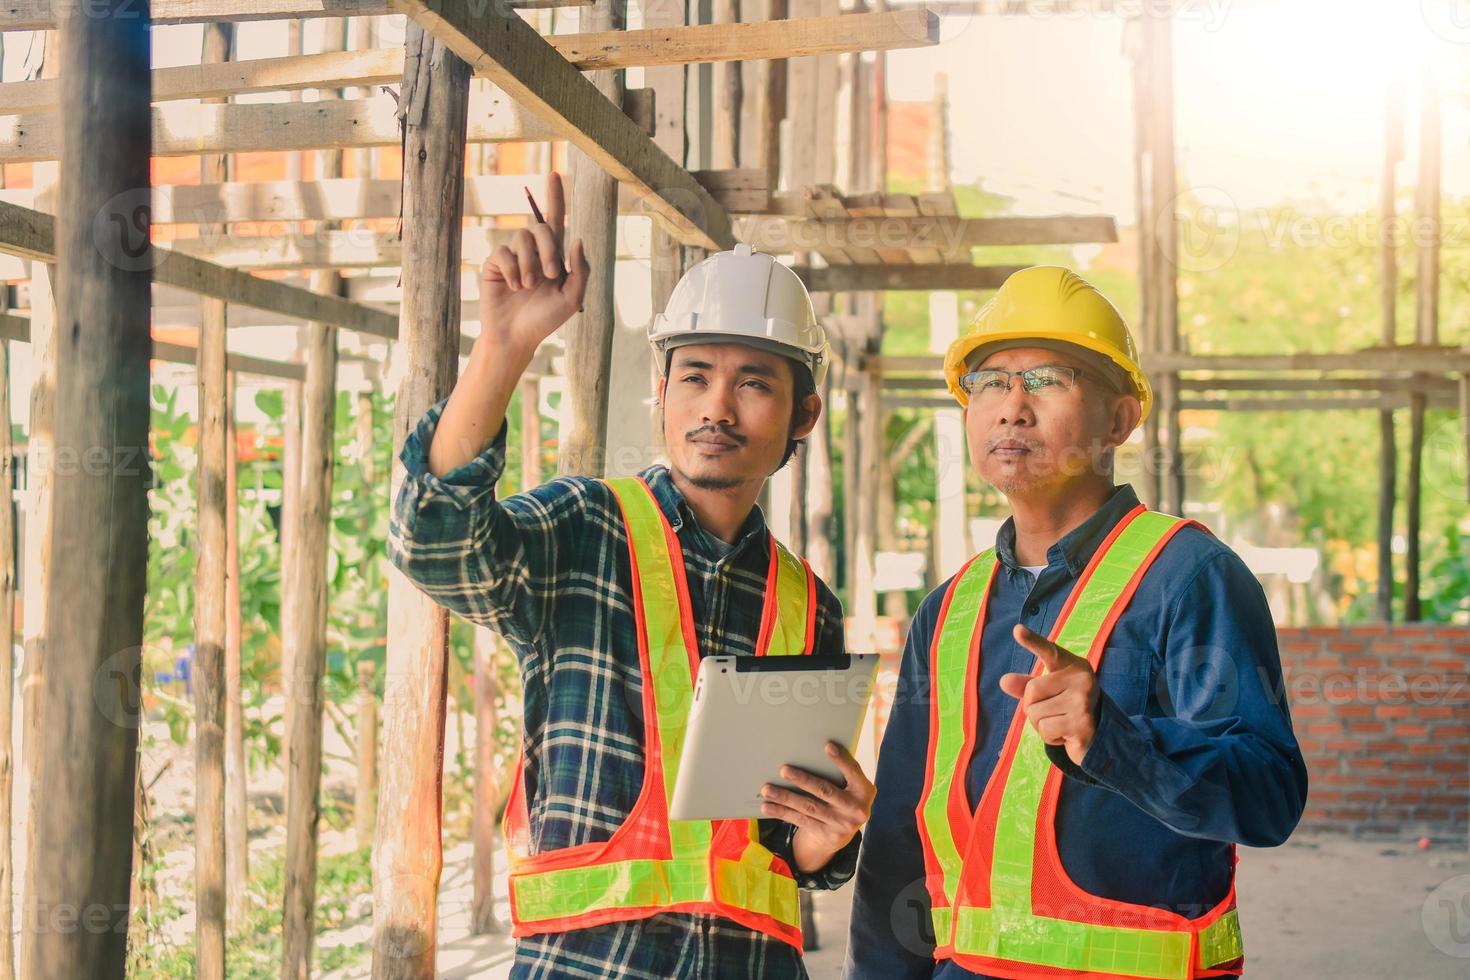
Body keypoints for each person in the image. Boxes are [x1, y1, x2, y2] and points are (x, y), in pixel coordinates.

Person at [389, 172, 874, 979]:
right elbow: (433, 542)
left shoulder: (807, 606)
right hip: (590, 965)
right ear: (661, 394)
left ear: (803, 415)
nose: (717, 406)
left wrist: (828, 840)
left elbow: (784, 843)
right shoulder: (585, 531)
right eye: (695, 376)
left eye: (754, 382)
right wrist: (504, 347)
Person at [844, 266, 1308, 979]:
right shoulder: (947, 609)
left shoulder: (1188, 577)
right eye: (990, 383)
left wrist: (1117, 743)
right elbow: (901, 842)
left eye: (1047, 379)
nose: (1011, 409)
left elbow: (1268, 799)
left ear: (1119, 419)